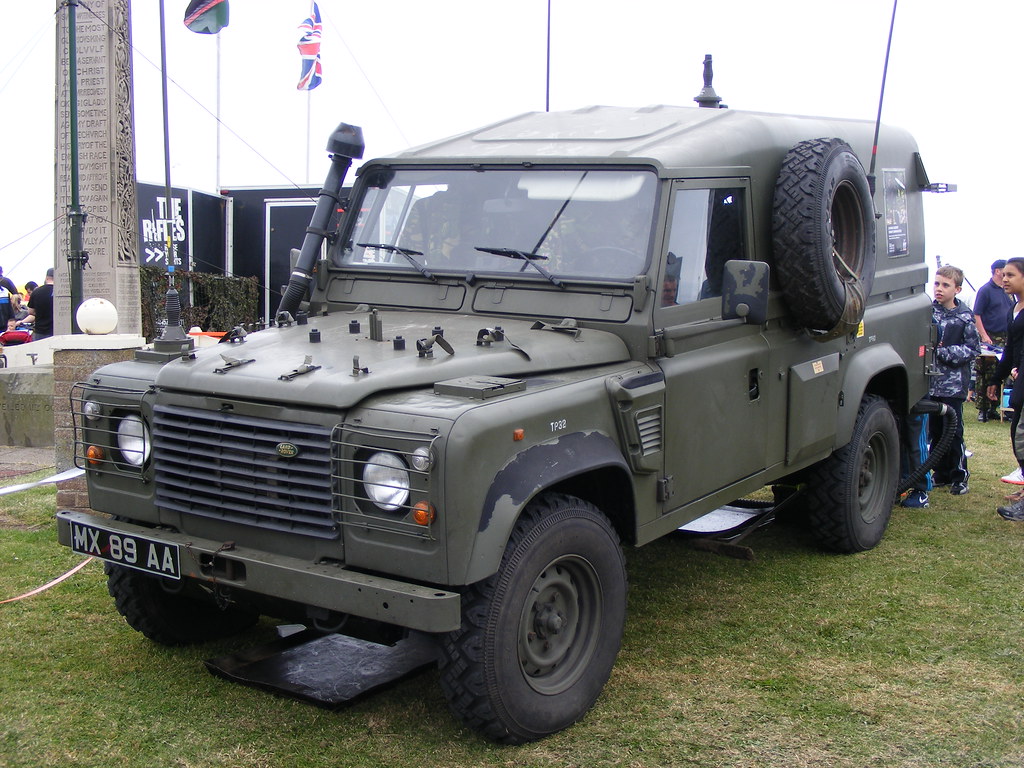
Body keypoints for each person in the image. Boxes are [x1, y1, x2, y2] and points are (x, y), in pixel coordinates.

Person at [927, 265, 980, 495]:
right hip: (931, 383)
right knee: (936, 431)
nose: (939, 289)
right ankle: (941, 473)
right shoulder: (929, 312)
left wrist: (944, 352)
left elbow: (972, 349)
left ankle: (959, 476)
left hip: (954, 386)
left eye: (945, 285)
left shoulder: (965, 316)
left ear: (957, 289)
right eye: (937, 283)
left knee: (954, 432)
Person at [973, 259, 1014, 421]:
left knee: (1001, 373)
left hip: (1006, 337)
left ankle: (994, 408)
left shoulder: (1007, 291)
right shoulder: (985, 290)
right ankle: (982, 408)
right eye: (1005, 272)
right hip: (989, 337)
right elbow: (977, 314)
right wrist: (984, 335)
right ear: (998, 271)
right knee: (986, 372)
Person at [26, 267, 54, 340]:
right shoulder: (61, 292)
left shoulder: (36, 292)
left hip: (40, 331)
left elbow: (30, 311)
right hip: (56, 330)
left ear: (47, 278)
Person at [0, 264, 20, 329]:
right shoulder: (7, 281)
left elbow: (9, 309)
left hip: (5, 326)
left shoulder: (4, 291)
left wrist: (12, 320)